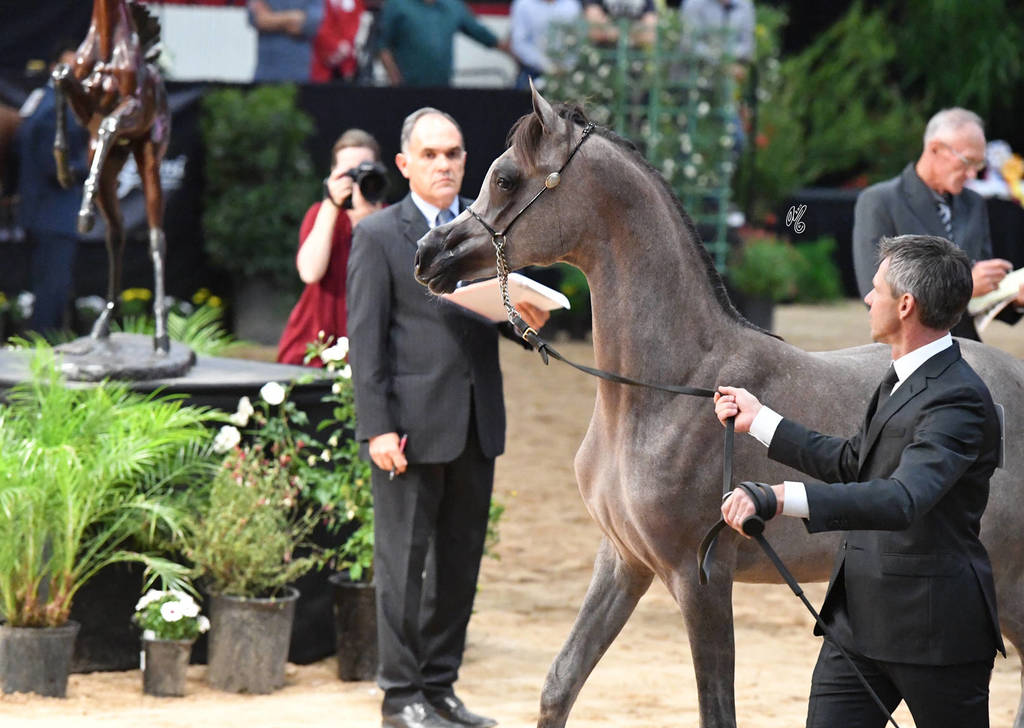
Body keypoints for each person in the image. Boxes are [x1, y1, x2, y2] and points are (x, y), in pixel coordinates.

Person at [714, 234, 1004, 728]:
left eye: (876, 289)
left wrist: (782, 498)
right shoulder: (898, 379)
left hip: (933, 632)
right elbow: (855, 462)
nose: (868, 299)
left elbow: (902, 499)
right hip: (857, 623)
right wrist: (760, 421)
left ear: (906, 305)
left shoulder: (960, 401)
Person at [346, 108, 548, 728]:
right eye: (431, 154)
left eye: (454, 153)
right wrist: (376, 426)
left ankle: (439, 689)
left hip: (475, 425)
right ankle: (399, 697)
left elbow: (499, 317)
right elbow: (366, 340)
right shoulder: (379, 235)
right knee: (402, 572)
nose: (444, 164)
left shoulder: (486, 229)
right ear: (404, 164)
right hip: (407, 430)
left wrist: (529, 323)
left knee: (459, 569)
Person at [852, 107, 1024, 341]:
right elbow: (875, 294)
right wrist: (965, 287)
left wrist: (1013, 297)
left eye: (979, 164)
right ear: (935, 148)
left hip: (966, 348)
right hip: (908, 350)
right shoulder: (880, 201)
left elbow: (979, 299)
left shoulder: (973, 203)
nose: (973, 174)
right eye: (967, 161)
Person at [277, 128, 385, 366]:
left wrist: (368, 220)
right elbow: (310, 272)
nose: (356, 179)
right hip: (317, 343)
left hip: (370, 348)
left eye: (363, 171)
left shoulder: (391, 219)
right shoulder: (320, 213)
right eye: (348, 172)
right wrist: (331, 203)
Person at [15, 42, 89, 332]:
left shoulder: (46, 103)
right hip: (52, 215)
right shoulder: (52, 111)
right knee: (51, 290)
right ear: (54, 68)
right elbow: (55, 169)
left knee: (51, 287)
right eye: (69, 67)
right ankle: (41, 353)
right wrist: (89, 166)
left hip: (44, 213)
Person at [375, 0, 510, 87]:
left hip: (442, 89)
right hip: (408, 89)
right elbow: (383, 47)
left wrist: (513, 53)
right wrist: (395, 80)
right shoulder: (397, 4)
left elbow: (481, 34)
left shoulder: (452, 6)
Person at [508, 0, 581, 90]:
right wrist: (546, 65)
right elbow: (519, 43)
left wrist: (566, 66)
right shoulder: (523, 4)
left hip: (568, 73)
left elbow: (578, 41)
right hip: (533, 72)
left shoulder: (571, 5)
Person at [249, 0, 324, 82]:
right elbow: (258, 19)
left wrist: (270, 18)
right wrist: (293, 18)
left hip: (299, 70)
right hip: (265, 69)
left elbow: (311, 24)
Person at [310, 0, 366, 82]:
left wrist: (346, 48)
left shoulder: (357, 3)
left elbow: (360, 25)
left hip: (349, 64)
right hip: (322, 63)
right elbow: (319, 26)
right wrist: (336, 46)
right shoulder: (319, 3)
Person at [581, 0, 657, 46]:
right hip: (601, 58)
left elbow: (650, 35)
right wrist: (635, 31)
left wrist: (611, 30)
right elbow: (595, 30)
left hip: (636, 61)